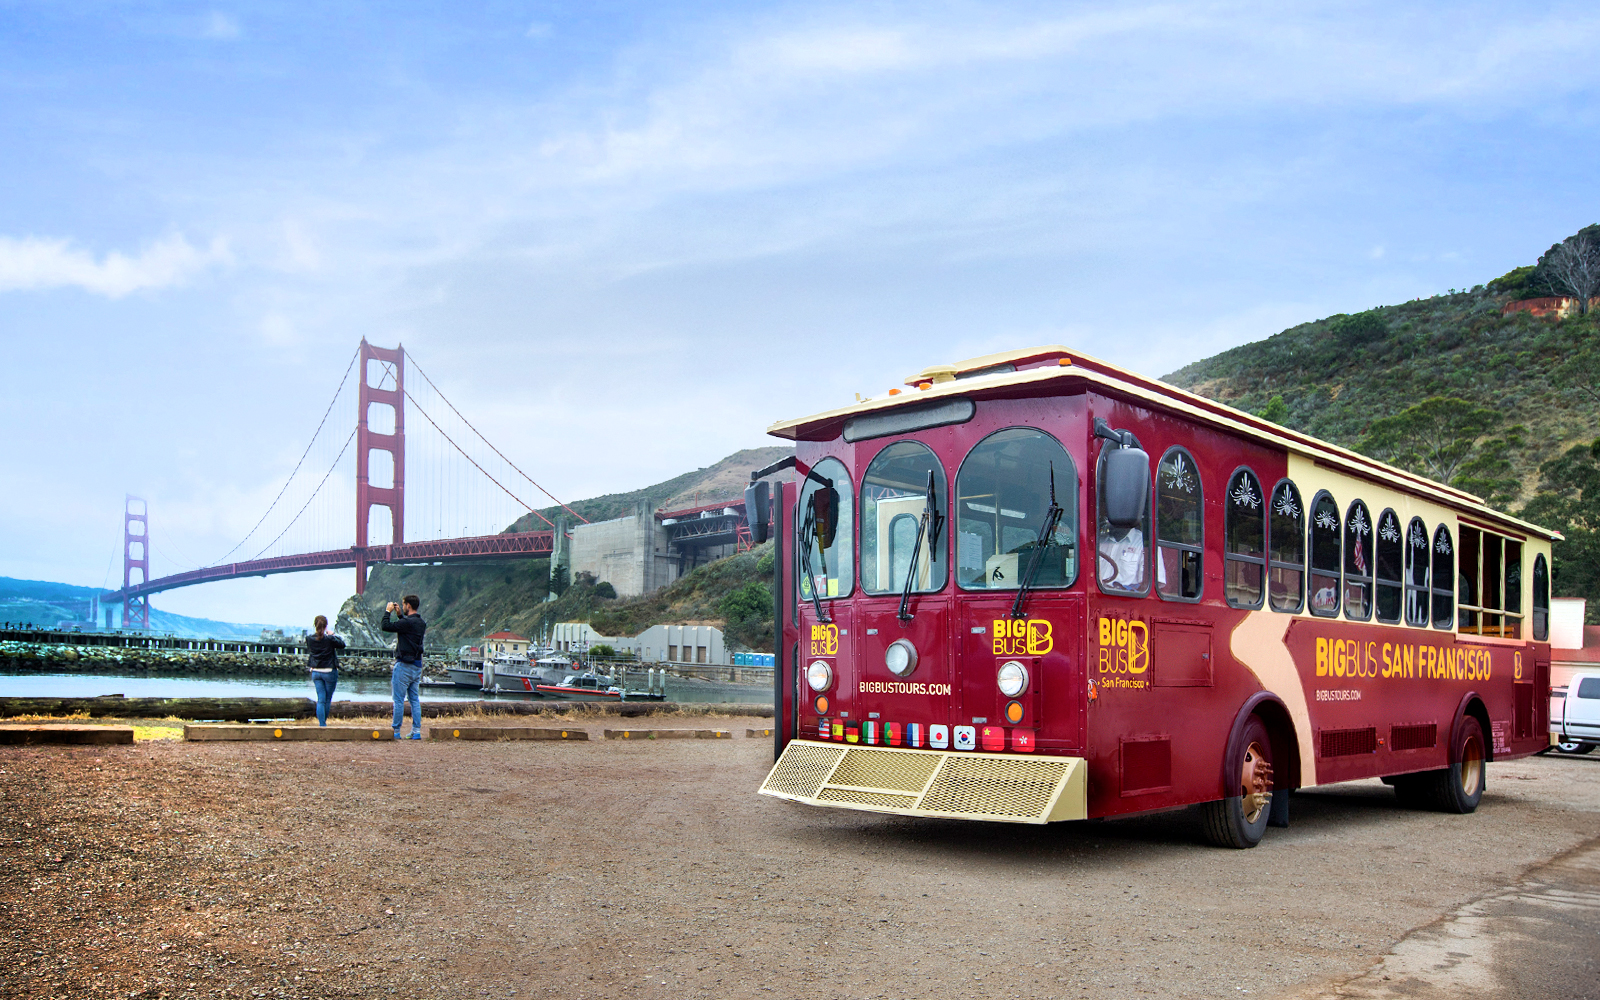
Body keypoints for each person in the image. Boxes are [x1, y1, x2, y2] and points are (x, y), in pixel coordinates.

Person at [382, 595, 427, 740]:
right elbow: (407, 628)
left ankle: (396, 731)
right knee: (414, 699)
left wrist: (388, 612)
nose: (403, 607)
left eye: (403, 605)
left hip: (403, 665)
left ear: (408, 605)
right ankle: (416, 731)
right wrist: (400, 615)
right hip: (417, 665)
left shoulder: (407, 623)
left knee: (399, 700)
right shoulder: (421, 623)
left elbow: (386, 626)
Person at [305, 614, 346, 726]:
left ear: (315, 625)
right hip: (329, 671)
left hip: (316, 671)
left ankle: (322, 724)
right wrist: (333, 635)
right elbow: (342, 644)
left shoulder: (309, 639)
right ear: (326, 626)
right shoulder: (329, 639)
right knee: (327, 699)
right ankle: (323, 723)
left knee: (321, 699)